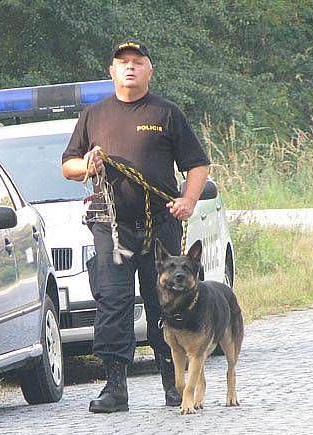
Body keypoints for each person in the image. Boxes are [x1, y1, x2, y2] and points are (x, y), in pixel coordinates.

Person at [62, 40, 210, 413]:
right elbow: (68, 165)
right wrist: (88, 165)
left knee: (168, 304)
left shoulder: (166, 113)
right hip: (111, 226)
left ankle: (174, 385)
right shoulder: (93, 115)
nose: (130, 67)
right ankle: (115, 389)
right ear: (111, 71)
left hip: (160, 225)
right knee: (113, 302)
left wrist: (187, 201)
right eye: (122, 62)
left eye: (137, 62)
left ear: (149, 71)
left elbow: (197, 164)